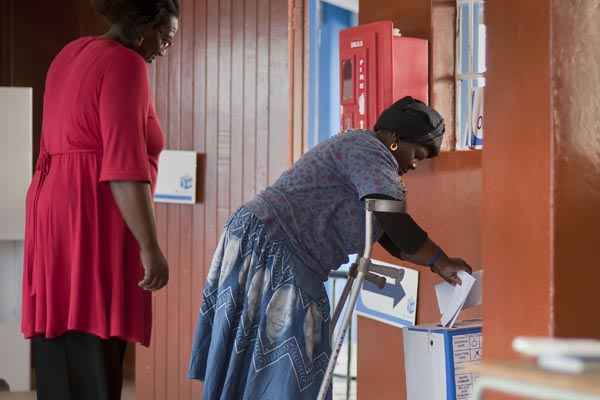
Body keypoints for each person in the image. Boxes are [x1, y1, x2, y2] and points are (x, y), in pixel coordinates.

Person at [188, 96, 473, 399]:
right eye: (417, 153)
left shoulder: (370, 158)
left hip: (269, 242)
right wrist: (441, 261)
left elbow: (389, 235)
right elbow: (393, 220)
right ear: (396, 138)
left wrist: (435, 263)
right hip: (275, 245)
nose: (415, 164)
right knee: (294, 361)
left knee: (273, 363)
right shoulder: (370, 151)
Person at [21, 1, 179, 399]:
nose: (165, 47)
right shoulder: (127, 65)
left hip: (51, 205)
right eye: (166, 37)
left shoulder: (69, 53)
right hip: (93, 207)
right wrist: (150, 248)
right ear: (144, 28)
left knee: (62, 327)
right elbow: (124, 167)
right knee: (95, 332)